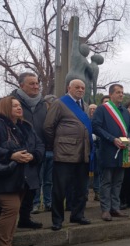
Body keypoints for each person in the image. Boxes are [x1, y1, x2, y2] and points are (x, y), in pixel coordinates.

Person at [44, 79, 93, 231]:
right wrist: (57, 145)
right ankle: (57, 219)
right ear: (69, 88)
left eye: (83, 88)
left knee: (81, 188)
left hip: (82, 154)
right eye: (77, 87)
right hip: (64, 154)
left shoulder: (84, 106)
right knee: (60, 189)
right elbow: (48, 127)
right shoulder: (59, 103)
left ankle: (77, 215)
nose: (80, 90)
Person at [0, 96, 44, 246]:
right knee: (11, 209)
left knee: (14, 211)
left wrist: (33, 155)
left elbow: (39, 145)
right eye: (14, 106)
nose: (19, 108)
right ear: (4, 107)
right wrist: (10, 154)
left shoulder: (26, 126)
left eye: (19, 105)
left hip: (22, 176)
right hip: (4, 178)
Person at [92, 84, 130, 221]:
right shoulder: (102, 109)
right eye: (118, 92)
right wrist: (112, 139)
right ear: (111, 95)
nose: (121, 94)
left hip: (123, 152)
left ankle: (115, 208)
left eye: (122, 92)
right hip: (108, 151)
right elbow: (96, 127)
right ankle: (105, 209)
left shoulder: (125, 111)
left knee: (118, 182)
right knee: (107, 182)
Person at [10, 72, 47, 229]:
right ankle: (8, 222)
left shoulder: (43, 104)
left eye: (37, 83)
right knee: (14, 191)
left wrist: (40, 151)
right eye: (31, 83)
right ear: (21, 85)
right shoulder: (9, 102)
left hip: (36, 152)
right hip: (16, 154)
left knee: (32, 187)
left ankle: (25, 218)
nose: (36, 86)